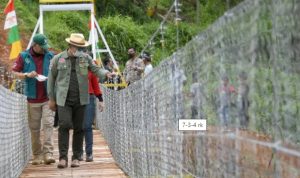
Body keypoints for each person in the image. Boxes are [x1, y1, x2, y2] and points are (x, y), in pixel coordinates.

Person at [47, 33, 113, 168]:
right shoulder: (57, 59)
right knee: (64, 125)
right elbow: (51, 79)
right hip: (63, 99)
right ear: (70, 45)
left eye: (80, 47)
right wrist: (51, 99)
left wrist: (106, 74)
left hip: (81, 99)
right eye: (75, 46)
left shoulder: (86, 58)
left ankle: (76, 157)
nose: (77, 49)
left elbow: (96, 70)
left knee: (79, 128)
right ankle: (63, 157)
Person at [12, 34, 56, 165]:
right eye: (42, 47)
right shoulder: (23, 56)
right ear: (35, 45)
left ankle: (48, 153)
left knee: (48, 125)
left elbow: (58, 73)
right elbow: (14, 72)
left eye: (45, 47)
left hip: (48, 97)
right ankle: (37, 155)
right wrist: (26, 74)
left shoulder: (51, 56)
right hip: (32, 98)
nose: (44, 49)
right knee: (34, 128)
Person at [81, 70, 104, 162]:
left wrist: (100, 100)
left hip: (89, 97)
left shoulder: (90, 66)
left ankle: (89, 153)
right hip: (75, 97)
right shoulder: (72, 63)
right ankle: (78, 152)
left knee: (87, 126)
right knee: (78, 126)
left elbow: (95, 84)